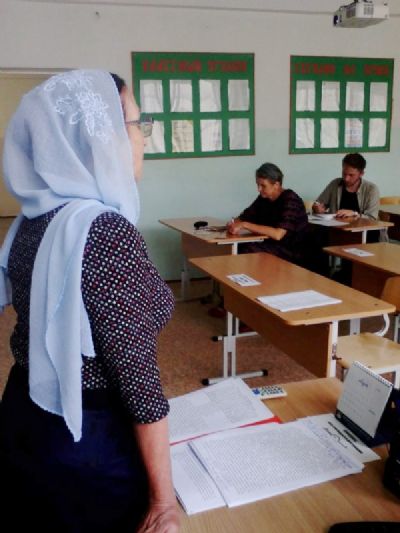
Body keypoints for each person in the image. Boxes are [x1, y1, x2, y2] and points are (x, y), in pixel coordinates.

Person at [0, 70, 180, 532]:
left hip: (26, 412)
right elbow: (138, 381)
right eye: (138, 124)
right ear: (102, 137)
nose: (143, 139)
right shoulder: (103, 232)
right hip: (87, 440)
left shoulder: (35, 217)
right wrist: (164, 502)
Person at [227, 162, 308, 264]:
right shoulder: (263, 198)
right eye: (257, 185)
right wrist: (233, 223)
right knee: (235, 246)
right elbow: (244, 217)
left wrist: (244, 225)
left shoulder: (291, 200)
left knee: (248, 249)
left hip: (291, 251)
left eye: (263, 185)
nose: (259, 189)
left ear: (276, 185)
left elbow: (278, 234)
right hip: (270, 244)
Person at [312, 153, 380, 220]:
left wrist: (354, 214)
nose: (346, 179)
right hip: (335, 226)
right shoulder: (335, 184)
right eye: (344, 173)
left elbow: (372, 218)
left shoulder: (371, 189)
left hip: (360, 227)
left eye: (351, 175)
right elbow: (318, 203)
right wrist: (316, 208)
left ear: (361, 174)